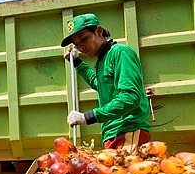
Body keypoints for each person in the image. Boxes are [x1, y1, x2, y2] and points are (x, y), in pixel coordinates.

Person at [62, 13, 152, 152]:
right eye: (77, 44)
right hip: (112, 135)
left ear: (98, 31)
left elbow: (130, 97)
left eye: (83, 39)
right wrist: (78, 63)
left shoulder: (120, 53)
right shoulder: (102, 61)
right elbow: (100, 84)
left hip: (128, 130)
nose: (81, 47)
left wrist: (88, 117)